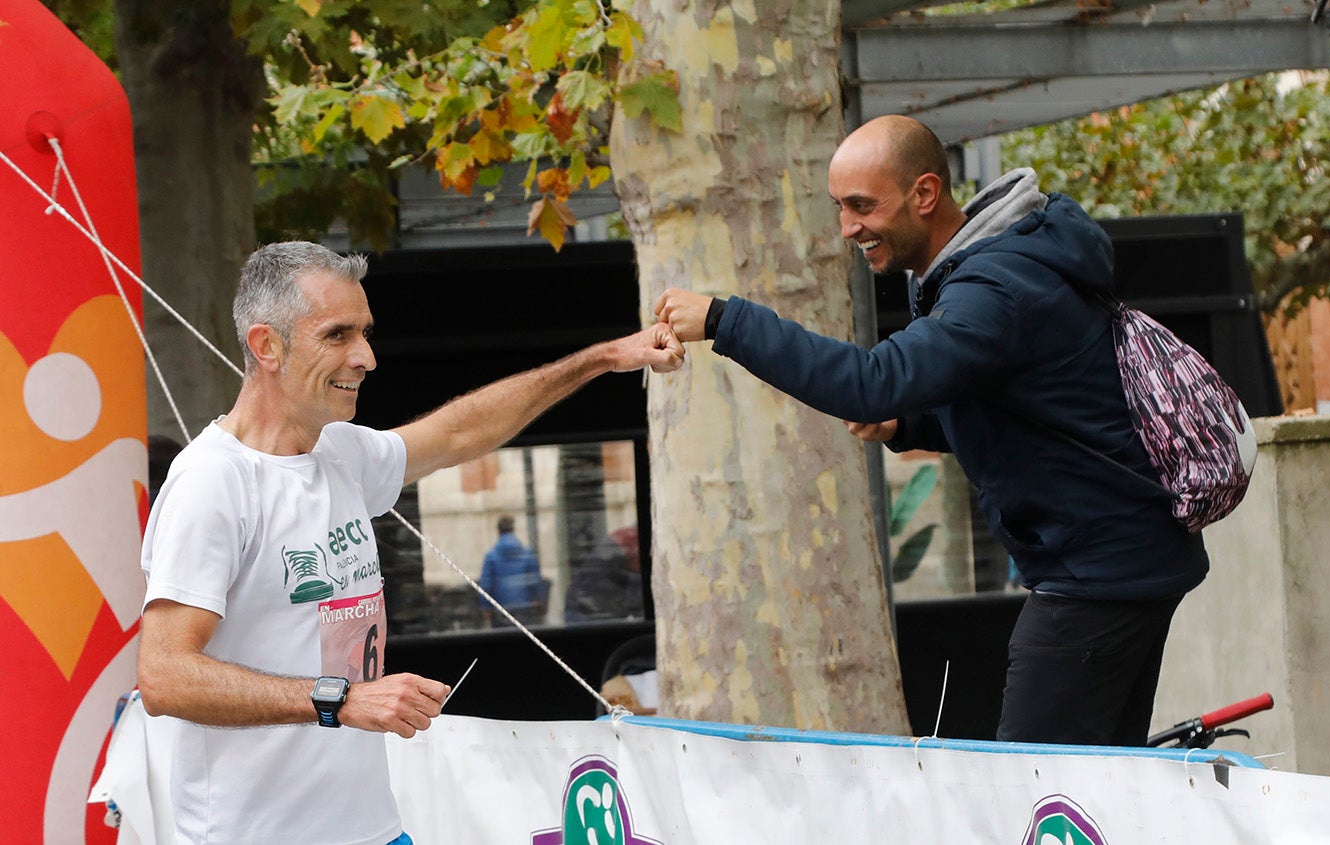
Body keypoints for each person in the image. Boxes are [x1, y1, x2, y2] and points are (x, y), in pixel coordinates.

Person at [653, 115, 1209, 747]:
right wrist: (908, 421)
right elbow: (1030, 406)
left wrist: (726, 321)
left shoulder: (994, 288)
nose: (847, 228)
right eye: (839, 207)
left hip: (1098, 574)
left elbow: (869, 379)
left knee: (1035, 799)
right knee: (1104, 789)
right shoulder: (998, 263)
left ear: (923, 194)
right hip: (1122, 555)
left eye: (863, 206)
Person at [137, 241, 683, 845]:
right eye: (338, 335)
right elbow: (164, 678)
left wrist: (605, 358)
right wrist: (338, 700)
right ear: (267, 346)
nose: (366, 357)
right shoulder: (213, 481)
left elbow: (461, 431)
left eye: (365, 333)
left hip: (371, 830)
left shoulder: (340, 452)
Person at [478, 514, 547, 627]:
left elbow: (486, 583)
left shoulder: (491, 556)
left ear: (498, 531)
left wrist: (485, 607)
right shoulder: (527, 554)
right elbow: (535, 580)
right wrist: (538, 600)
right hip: (525, 608)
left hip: (500, 610)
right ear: (513, 530)